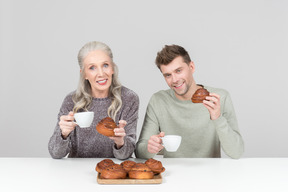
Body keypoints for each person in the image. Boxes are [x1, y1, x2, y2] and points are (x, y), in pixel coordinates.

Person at [135, 44, 244, 159]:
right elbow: (140, 152)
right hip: (172, 173)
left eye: (178, 71)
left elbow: (236, 152)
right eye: (168, 75)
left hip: (210, 173)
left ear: (191, 67)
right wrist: (150, 148)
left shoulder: (218, 97)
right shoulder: (158, 101)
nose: (175, 80)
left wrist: (217, 118)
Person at [48, 41, 139, 159]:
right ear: (84, 74)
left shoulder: (129, 98)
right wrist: (63, 134)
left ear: (112, 68)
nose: (101, 74)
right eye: (92, 68)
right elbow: (55, 153)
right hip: (77, 171)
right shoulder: (72, 100)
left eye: (105, 65)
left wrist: (121, 142)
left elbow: (125, 155)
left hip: (115, 171)